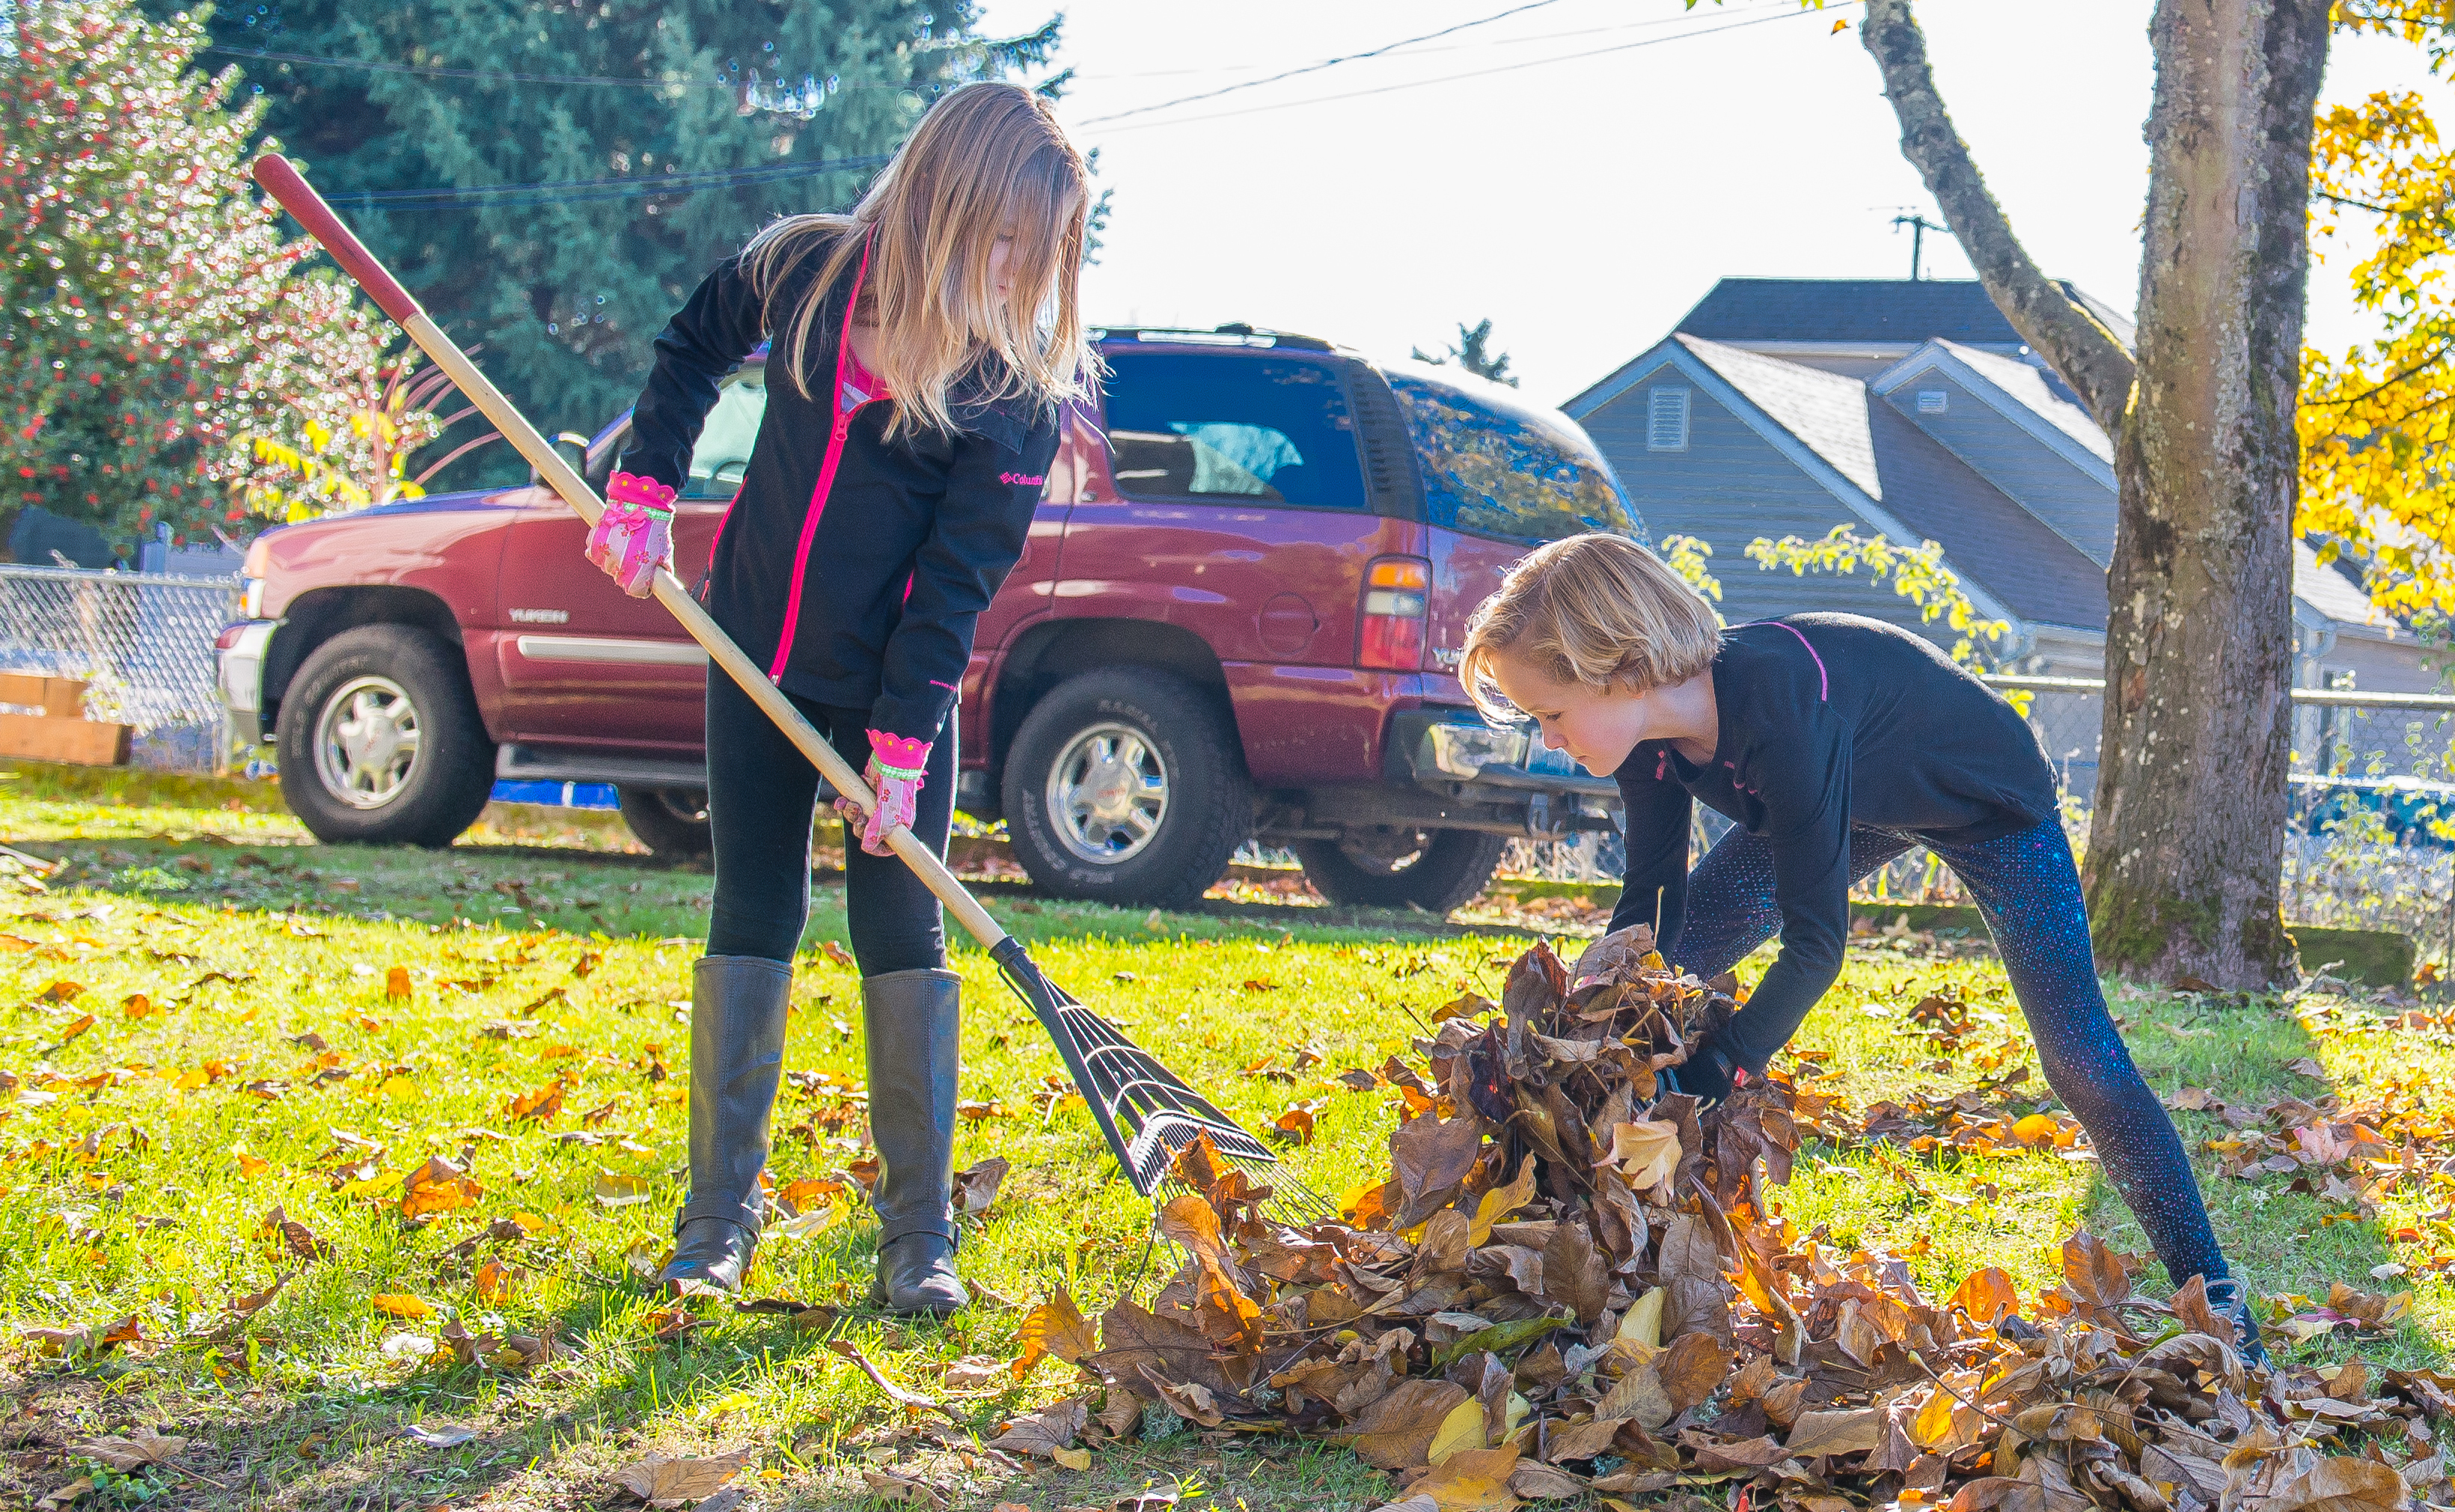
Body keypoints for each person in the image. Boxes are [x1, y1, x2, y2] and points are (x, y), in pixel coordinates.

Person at [1458, 533, 2266, 1362]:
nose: (1546, 738)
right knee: (1674, 961)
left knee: (2081, 1060)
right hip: (1849, 793)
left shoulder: (1778, 711)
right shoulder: (1648, 739)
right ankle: (1580, 1243)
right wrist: (1584, 1019)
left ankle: (2218, 1299)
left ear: (1616, 663)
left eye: (1549, 715)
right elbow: (1654, 907)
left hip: (1984, 804)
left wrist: (1720, 1063)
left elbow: (1816, 947)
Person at [599, 82, 1094, 1312]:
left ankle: (918, 1234)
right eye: (1001, 238)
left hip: (893, 698)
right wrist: (645, 487)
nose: (1015, 269)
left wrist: (901, 746)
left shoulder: (1009, 395)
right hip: (752, 652)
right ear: (942, 202)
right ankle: (717, 1218)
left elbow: (954, 582)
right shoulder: (807, 274)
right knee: (753, 900)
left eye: (1035, 255)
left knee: (899, 927)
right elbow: (688, 346)